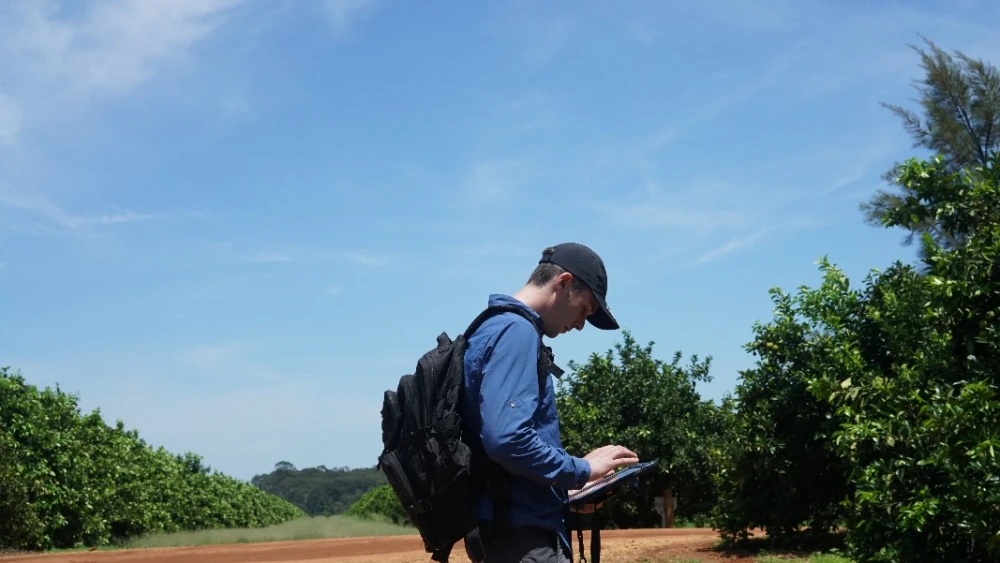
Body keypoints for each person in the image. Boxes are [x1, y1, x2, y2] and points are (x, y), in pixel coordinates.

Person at [460, 242, 640, 563]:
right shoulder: (517, 332)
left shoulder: (493, 327)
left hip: (510, 528)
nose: (582, 323)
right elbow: (508, 439)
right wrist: (582, 470)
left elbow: (500, 455)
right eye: (585, 309)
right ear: (563, 283)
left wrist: (563, 491)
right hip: (523, 540)